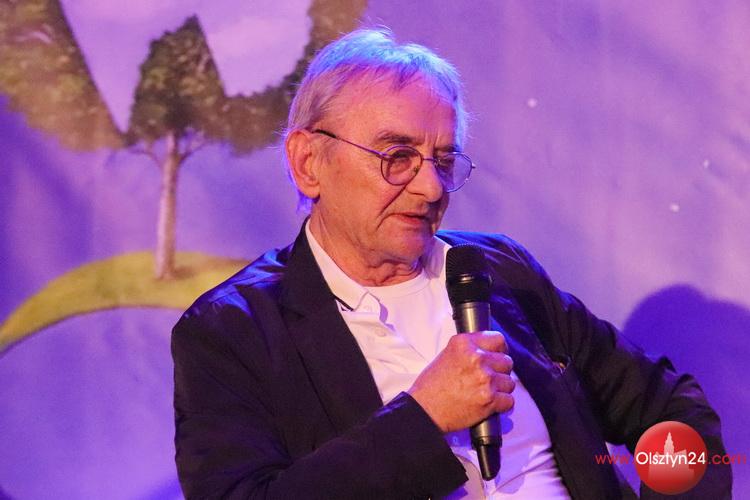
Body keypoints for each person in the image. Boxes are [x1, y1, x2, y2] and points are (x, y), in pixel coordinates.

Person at [171, 28, 731, 499]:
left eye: (442, 160)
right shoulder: (233, 331)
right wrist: (423, 418)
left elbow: (669, 406)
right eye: (397, 157)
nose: (431, 187)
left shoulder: (499, 271)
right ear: (308, 162)